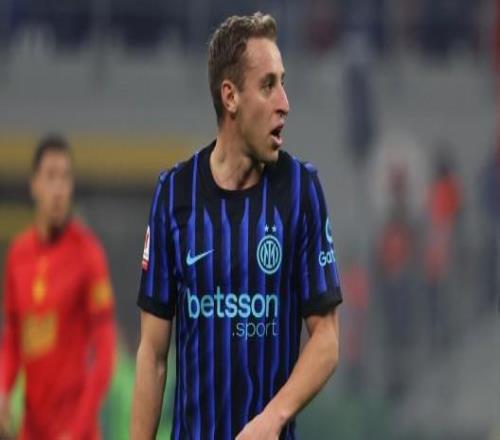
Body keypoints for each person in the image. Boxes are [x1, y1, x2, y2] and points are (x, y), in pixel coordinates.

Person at [131, 12, 342, 440]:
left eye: (283, 83)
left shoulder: (300, 191)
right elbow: (153, 354)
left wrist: (273, 417)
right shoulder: (174, 195)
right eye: (268, 85)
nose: (285, 102)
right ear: (230, 97)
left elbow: (326, 339)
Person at [0, 135, 116, 439]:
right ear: (34, 185)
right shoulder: (18, 255)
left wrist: (75, 430)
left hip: (76, 433)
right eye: (51, 177)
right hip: (31, 431)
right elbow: (13, 337)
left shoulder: (88, 253)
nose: (59, 189)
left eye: (65, 178)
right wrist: (2, 389)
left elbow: (105, 352)